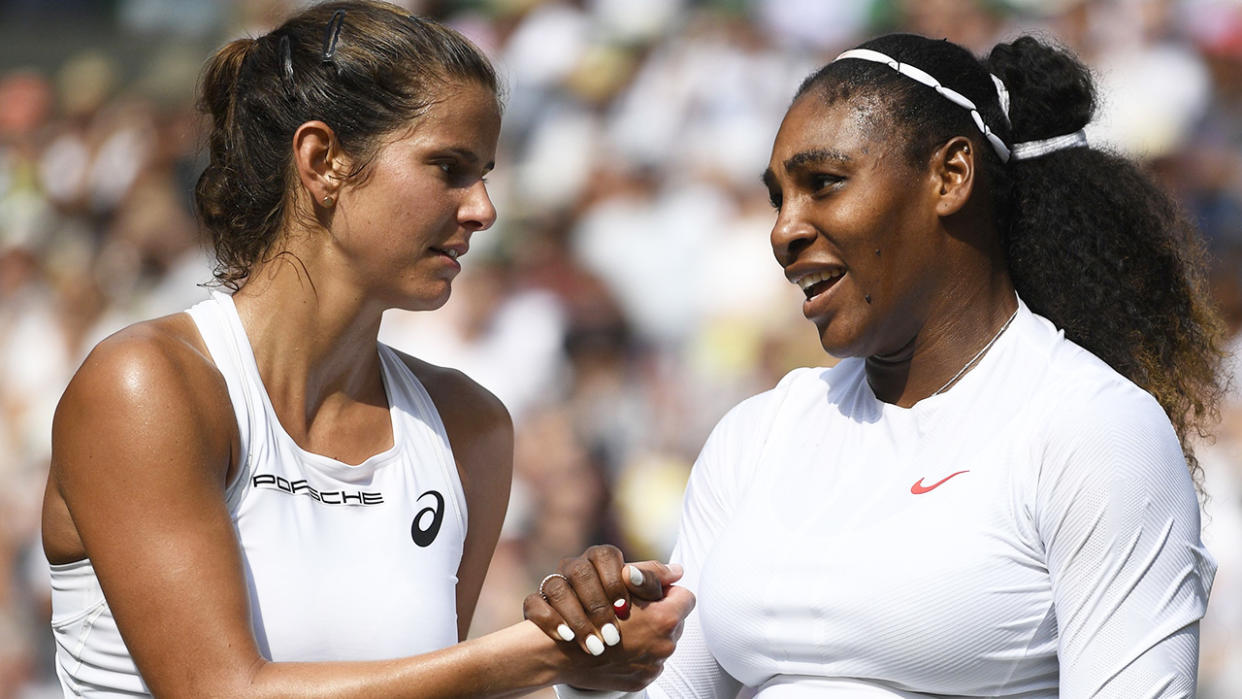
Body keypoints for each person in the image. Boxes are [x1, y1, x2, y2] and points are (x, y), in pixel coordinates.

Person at [525, 33, 1224, 697]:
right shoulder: (758, 434)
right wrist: (595, 660)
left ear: (950, 175)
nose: (783, 230)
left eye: (823, 183)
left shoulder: (1094, 429)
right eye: (778, 197)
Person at [40, 2, 693, 696]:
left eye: (486, 173)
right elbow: (221, 691)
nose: (483, 208)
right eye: (448, 167)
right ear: (323, 161)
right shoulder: (147, 383)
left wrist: (587, 628)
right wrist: (545, 655)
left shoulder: (470, 426)